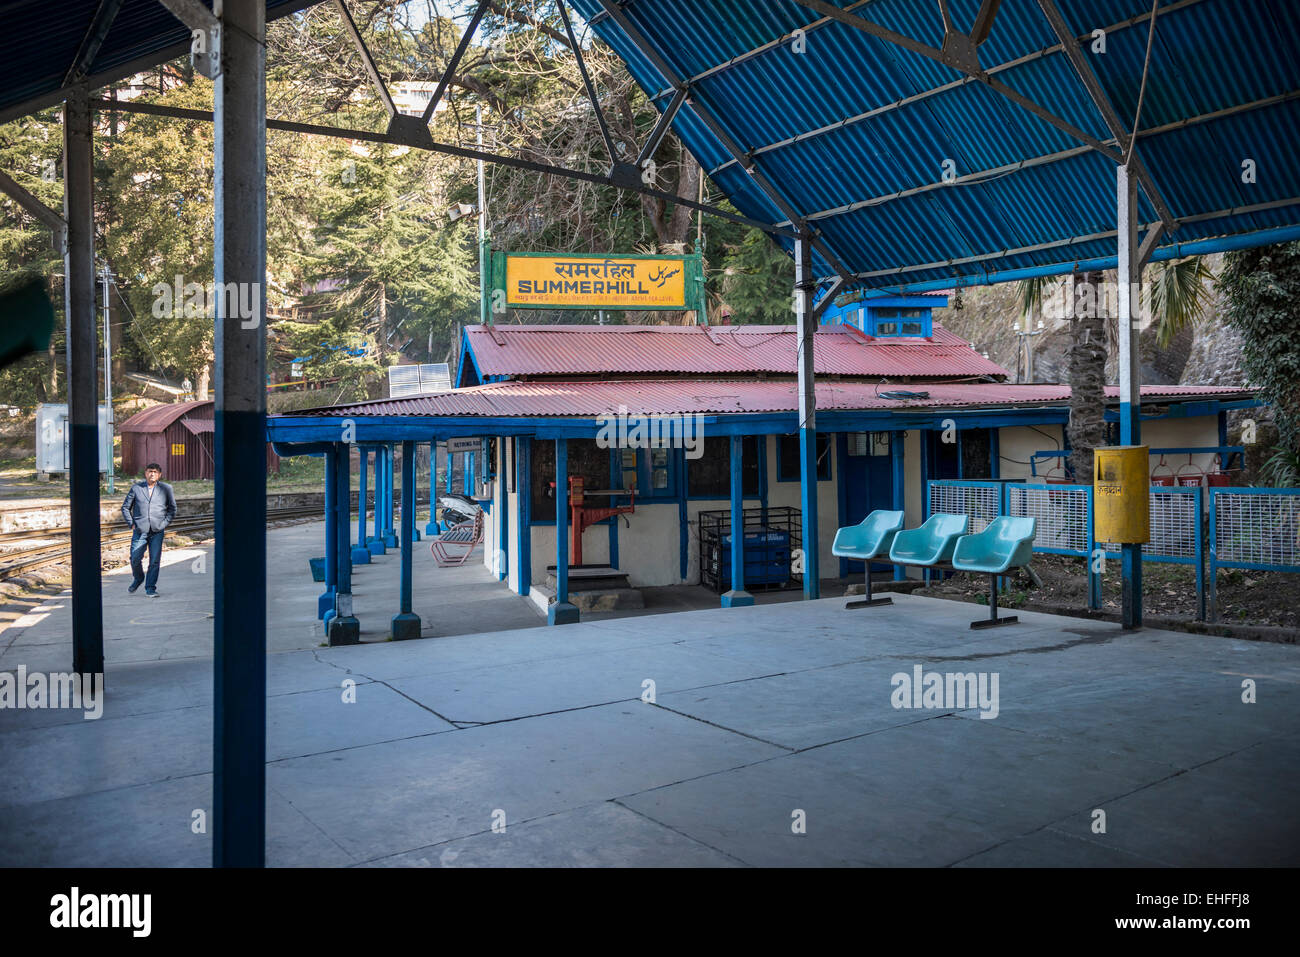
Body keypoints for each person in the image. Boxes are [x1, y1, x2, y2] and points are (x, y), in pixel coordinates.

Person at [121, 462, 176, 597]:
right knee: (135, 558)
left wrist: (164, 524)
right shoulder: (136, 488)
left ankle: (150, 588)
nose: (152, 474)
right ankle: (139, 578)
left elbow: (172, 509)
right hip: (140, 530)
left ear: (159, 475)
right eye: (150, 471)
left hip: (157, 530)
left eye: (155, 472)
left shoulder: (166, 488)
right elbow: (125, 508)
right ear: (145, 473)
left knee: (154, 560)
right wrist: (131, 523)